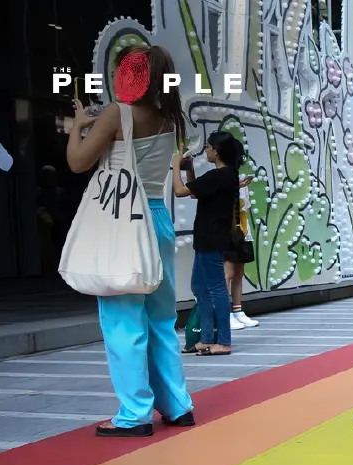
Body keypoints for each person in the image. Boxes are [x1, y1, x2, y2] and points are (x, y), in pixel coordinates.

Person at [65, 45, 194, 437]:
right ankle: (178, 405)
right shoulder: (170, 117)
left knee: (123, 321)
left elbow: (77, 162)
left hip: (124, 224)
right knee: (161, 319)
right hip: (157, 220)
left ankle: (135, 413)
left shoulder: (116, 114)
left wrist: (77, 126)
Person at [172, 131, 250, 354]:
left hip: (211, 238)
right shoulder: (226, 175)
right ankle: (207, 338)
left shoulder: (218, 176)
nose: (205, 150)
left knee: (216, 289)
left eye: (208, 147)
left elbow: (180, 191)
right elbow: (196, 192)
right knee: (200, 287)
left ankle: (223, 341)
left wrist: (175, 165)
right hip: (208, 238)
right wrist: (189, 169)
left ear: (216, 151)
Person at [227, 184, 260, 330]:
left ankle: (238, 311)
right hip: (228, 233)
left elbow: (245, 207)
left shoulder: (242, 184)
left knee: (239, 274)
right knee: (227, 274)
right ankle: (225, 313)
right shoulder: (222, 180)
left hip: (243, 232)